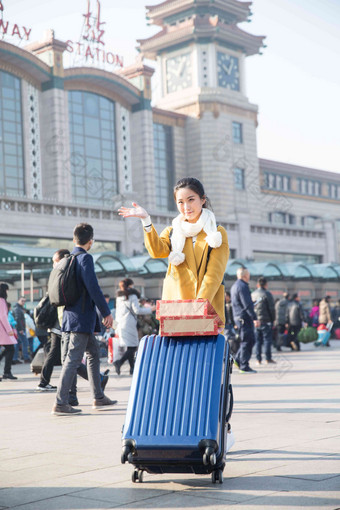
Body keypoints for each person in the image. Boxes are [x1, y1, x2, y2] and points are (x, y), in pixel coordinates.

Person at [118, 177, 229, 329]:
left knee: (204, 352)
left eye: (191, 200)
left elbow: (214, 274)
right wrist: (146, 221)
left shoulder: (216, 233)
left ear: (203, 200)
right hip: (175, 308)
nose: (186, 207)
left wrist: (198, 306)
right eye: (180, 202)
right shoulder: (173, 231)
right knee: (176, 353)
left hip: (205, 308)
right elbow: (157, 251)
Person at [52, 223, 116, 416]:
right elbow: (93, 287)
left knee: (94, 354)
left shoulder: (68, 259)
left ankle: (98, 397)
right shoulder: (85, 258)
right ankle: (60, 402)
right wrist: (106, 312)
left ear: (74, 239)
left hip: (74, 317)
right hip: (81, 318)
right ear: (91, 241)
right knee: (73, 359)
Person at [113, 279, 154, 376]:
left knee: (130, 346)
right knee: (133, 346)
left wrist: (115, 327)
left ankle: (132, 368)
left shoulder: (119, 297)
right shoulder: (133, 296)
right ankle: (119, 362)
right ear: (130, 285)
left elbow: (117, 313)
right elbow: (137, 310)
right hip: (129, 323)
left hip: (121, 324)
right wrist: (150, 309)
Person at [230, 268, 259, 373]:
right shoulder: (243, 286)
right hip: (244, 317)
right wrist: (254, 318)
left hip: (238, 316)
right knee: (248, 340)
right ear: (245, 276)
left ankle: (238, 360)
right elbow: (246, 304)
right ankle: (244, 365)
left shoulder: (235, 286)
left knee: (247, 340)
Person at [251, 277, 276, 365]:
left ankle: (258, 359)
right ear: (266, 285)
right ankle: (268, 358)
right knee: (267, 340)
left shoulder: (253, 294)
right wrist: (273, 319)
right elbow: (271, 308)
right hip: (266, 320)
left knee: (258, 341)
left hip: (256, 321)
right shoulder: (267, 294)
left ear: (257, 285)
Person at [0, 283, 18, 380]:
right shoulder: (2, 301)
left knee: (7, 349)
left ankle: (7, 372)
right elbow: (3, 316)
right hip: (2, 330)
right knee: (10, 349)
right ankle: (7, 372)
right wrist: (9, 330)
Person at [12, 296, 30, 364]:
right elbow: (17, 319)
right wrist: (20, 329)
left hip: (19, 329)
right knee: (25, 342)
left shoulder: (19, 308)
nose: (23, 302)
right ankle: (26, 358)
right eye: (22, 301)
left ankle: (15, 358)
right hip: (20, 329)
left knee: (17, 344)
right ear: (18, 301)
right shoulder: (17, 309)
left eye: (24, 301)